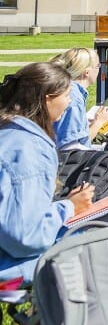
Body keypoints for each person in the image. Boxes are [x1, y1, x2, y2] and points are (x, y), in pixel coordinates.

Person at [0, 63, 95, 285]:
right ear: (47, 99)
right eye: (67, 95)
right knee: (100, 236)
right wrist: (69, 207)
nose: (70, 102)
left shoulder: (10, 132)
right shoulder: (28, 150)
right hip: (8, 269)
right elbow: (24, 237)